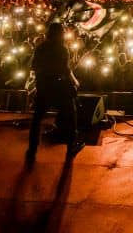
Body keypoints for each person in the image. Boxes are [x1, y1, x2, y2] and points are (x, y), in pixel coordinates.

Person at [26, 23, 84, 164]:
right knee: (71, 113)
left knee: (37, 119)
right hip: (58, 86)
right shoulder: (62, 49)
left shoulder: (40, 48)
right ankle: (71, 146)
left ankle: (32, 149)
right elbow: (65, 69)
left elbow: (33, 66)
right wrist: (75, 81)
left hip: (43, 86)